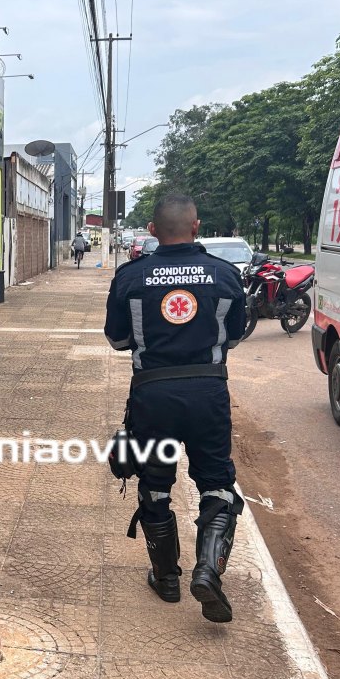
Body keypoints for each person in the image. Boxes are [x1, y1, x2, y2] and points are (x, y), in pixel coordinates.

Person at [103, 192, 246, 623]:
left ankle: (166, 579)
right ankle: (208, 570)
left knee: (155, 483)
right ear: (196, 226)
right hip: (208, 393)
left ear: (152, 231)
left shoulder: (131, 276)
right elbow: (233, 337)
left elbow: (118, 339)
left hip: (153, 396)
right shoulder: (225, 275)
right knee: (216, 482)